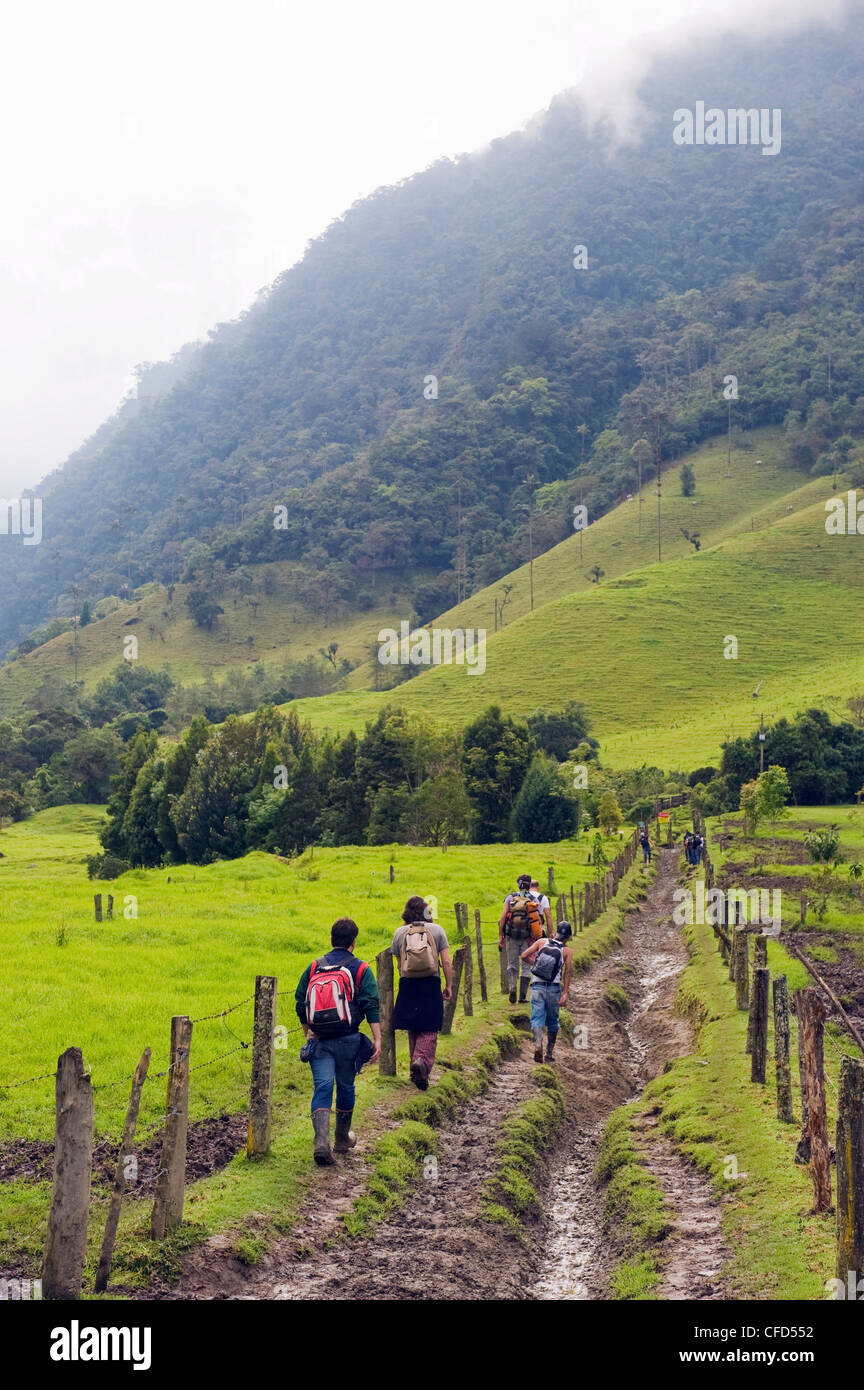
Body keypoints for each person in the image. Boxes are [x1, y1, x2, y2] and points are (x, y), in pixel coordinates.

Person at [295, 917, 381, 1166]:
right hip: (349, 1040)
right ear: (354, 942)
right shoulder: (361, 969)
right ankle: (342, 1138)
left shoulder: (314, 967)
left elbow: (301, 1000)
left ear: (331, 939)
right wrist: (377, 1039)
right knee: (345, 1086)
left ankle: (321, 1142)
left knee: (322, 1087)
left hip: (320, 1041)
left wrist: (308, 1031)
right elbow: (370, 1004)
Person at [390, 895, 453, 1091]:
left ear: (406, 913)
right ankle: (422, 1063)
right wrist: (449, 985)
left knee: (414, 1026)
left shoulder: (400, 932)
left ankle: (413, 1070)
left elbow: (398, 961)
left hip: (408, 983)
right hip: (430, 982)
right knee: (430, 1028)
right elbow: (447, 962)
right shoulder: (437, 930)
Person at [520, 922, 573, 1063]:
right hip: (553, 988)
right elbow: (567, 973)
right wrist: (565, 993)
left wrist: (535, 964)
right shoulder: (567, 951)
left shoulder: (541, 941)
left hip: (537, 986)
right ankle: (549, 1053)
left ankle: (538, 1045)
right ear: (568, 937)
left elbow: (524, 955)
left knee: (537, 1018)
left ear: (556, 933)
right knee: (552, 1022)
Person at [499, 874, 543, 1003]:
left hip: (511, 937)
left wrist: (500, 936)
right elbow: (538, 920)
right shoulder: (533, 900)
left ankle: (513, 986)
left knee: (511, 964)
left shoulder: (510, 898)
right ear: (529, 885)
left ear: (518, 884)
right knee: (526, 966)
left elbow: (502, 918)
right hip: (528, 939)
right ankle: (523, 997)